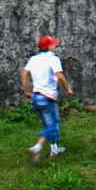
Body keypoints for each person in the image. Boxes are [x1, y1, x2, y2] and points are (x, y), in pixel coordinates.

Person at [21, 35, 74, 163]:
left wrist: (27, 91)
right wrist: (67, 89)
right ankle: (37, 147)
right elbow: (59, 76)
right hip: (48, 97)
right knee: (53, 125)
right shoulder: (53, 59)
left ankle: (54, 149)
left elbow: (24, 73)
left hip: (36, 97)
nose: (55, 45)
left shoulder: (33, 59)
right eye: (53, 44)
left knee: (48, 124)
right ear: (49, 47)